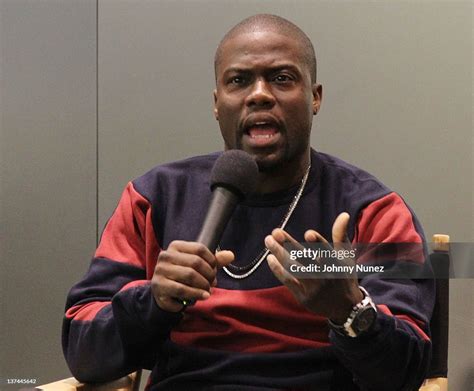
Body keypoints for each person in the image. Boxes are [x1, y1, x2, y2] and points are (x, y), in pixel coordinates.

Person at [63, 14, 434, 391]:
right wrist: (153, 301)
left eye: (282, 78)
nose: (259, 94)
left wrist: (348, 310)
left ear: (315, 97)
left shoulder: (372, 209)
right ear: (216, 102)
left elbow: (406, 374)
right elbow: (84, 353)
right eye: (239, 81)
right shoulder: (155, 198)